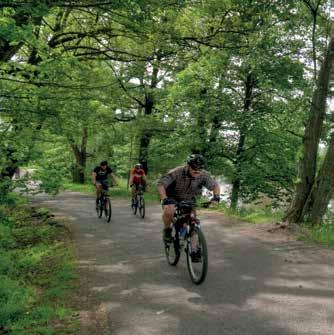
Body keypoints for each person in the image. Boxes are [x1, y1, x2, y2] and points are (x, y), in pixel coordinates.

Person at [157, 154, 220, 244]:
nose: (197, 171)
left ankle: (194, 251)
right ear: (188, 166)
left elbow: (215, 186)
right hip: (171, 196)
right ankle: (167, 230)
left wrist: (216, 197)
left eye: (200, 168)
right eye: (194, 168)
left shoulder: (203, 175)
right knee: (169, 210)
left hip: (189, 198)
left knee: (193, 220)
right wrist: (164, 199)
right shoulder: (177, 172)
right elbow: (161, 185)